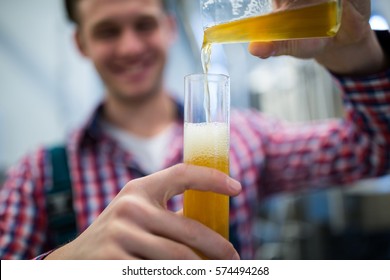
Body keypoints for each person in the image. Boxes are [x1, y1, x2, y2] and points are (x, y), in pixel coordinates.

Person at [0, 0, 389, 260]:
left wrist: (355, 53)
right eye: (107, 31)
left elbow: (375, 149)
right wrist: (61, 265)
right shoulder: (37, 176)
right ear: (81, 43)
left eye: (144, 24)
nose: (131, 46)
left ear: (170, 27)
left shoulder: (245, 138)